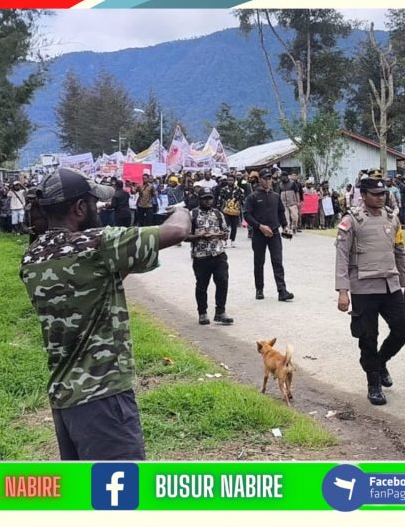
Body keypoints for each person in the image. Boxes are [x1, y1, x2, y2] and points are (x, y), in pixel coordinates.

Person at [20, 167, 190, 460]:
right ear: (80, 208)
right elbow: (178, 231)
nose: (100, 209)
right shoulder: (97, 244)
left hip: (65, 401)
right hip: (103, 400)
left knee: (86, 496)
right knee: (121, 498)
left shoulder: (33, 256)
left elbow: (93, 286)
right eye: (95, 203)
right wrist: (181, 208)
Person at [335, 177, 405, 406]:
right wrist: (343, 290)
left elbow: (399, 252)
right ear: (364, 195)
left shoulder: (392, 219)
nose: (380, 197)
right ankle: (373, 383)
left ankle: (380, 363)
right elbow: (342, 256)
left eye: (383, 194)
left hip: (390, 284)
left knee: (403, 328)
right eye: (375, 194)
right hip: (364, 286)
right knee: (368, 336)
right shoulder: (351, 221)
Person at [243, 168, 295, 301]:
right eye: (265, 178)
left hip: (274, 233)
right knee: (259, 262)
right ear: (260, 179)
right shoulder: (253, 197)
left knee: (277, 261)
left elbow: (281, 213)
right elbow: (247, 215)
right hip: (259, 234)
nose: (268, 181)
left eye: (269, 178)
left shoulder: (275, 196)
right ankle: (259, 289)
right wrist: (259, 226)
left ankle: (282, 290)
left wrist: (285, 226)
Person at [189, 189, 234, 325]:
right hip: (201, 256)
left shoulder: (218, 213)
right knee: (202, 285)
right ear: (199, 199)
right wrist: (201, 236)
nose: (208, 201)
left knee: (222, 280)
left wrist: (221, 235)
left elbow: (226, 232)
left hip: (218, 254)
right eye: (204, 198)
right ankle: (202, 313)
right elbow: (185, 236)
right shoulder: (193, 215)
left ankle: (220, 311)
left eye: (210, 198)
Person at [217, 174, 246, 248]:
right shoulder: (223, 189)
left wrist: (244, 207)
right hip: (226, 210)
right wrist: (218, 208)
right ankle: (225, 240)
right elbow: (220, 199)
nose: (230, 181)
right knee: (225, 226)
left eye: (232, 180)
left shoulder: (239, 189)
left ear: (234, 180)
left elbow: (242, 200)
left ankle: (233, 240)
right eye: (229, 180)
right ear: (227, 180)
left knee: (234, 227)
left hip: (235, 210)